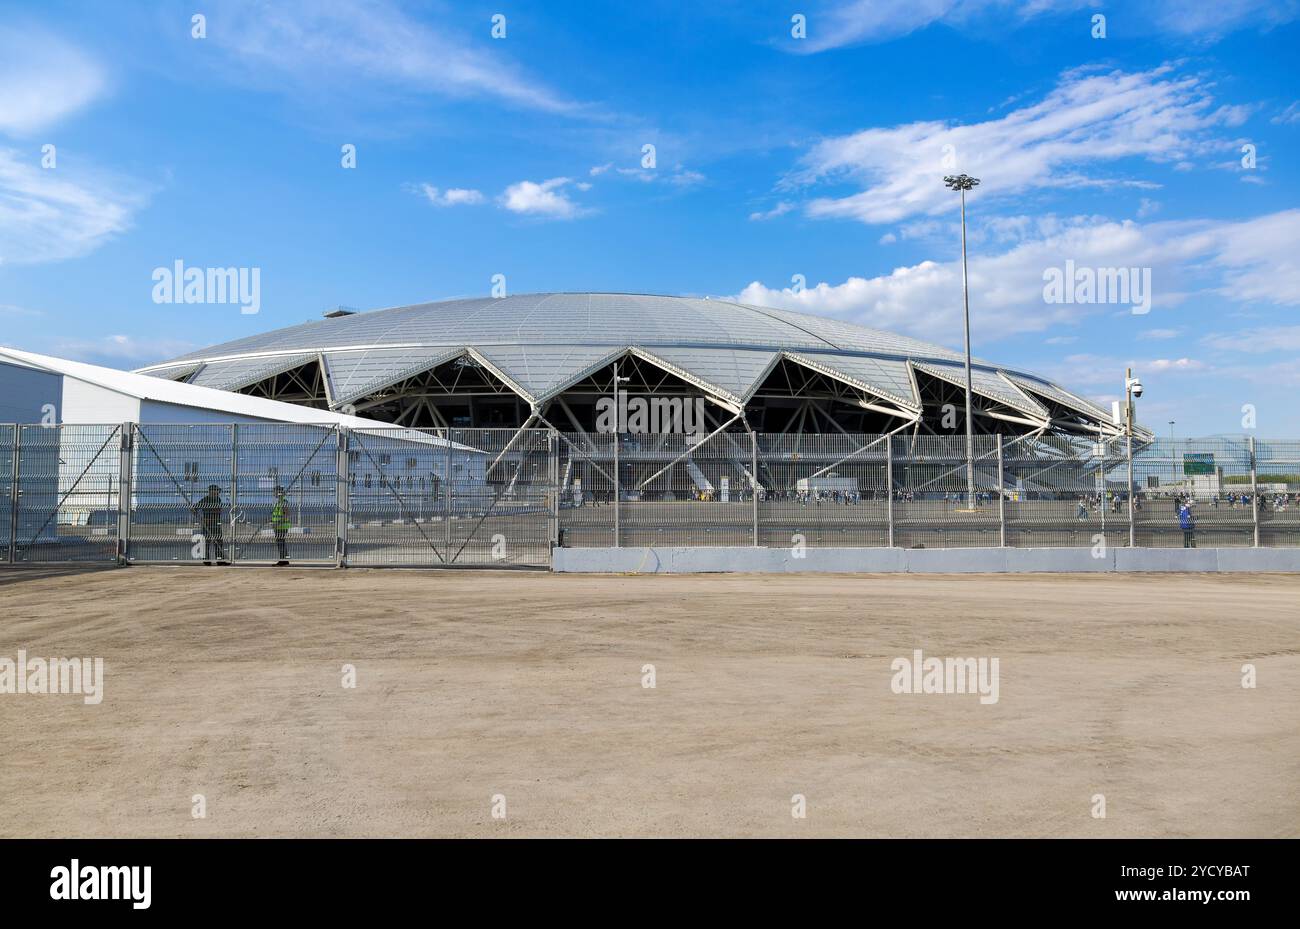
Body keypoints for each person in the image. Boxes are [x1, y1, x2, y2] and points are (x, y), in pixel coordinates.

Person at [193, 484, 227, 565]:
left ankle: (220, 560)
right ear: (211, 491)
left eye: (218, 491)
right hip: (207, 524)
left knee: (219, 542)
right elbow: (195, 508)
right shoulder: (205, 499)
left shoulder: (218, 499)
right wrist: (200, 517)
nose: (218, 492)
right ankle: (206, 560)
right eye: (216, 491)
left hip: (216, 523)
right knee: (206, 542)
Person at [271, 485, 291, 566]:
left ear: (279, 492)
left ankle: (283, 560)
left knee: (281, 543)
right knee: (281, 543)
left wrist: (278, 523)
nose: (273, 493)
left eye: (275, 491)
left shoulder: (283, 502)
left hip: (281, 526)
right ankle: (284, 559)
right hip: (278, 526)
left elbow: (286, 514)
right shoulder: (279, 502)